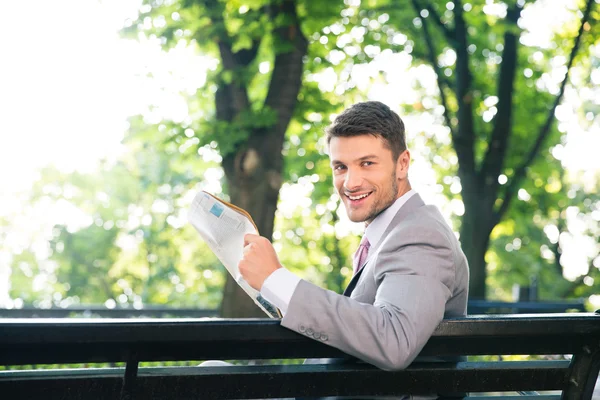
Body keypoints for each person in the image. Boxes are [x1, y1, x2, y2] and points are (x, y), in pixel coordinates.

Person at [239, 101, 469, 398]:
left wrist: (276, 279)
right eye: (340, 166)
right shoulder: (395, 232)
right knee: (212, 371)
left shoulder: (419, 235)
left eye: (367, 163)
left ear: (402, 164)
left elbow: (394, 340)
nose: (350, 182)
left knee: (209, 379)